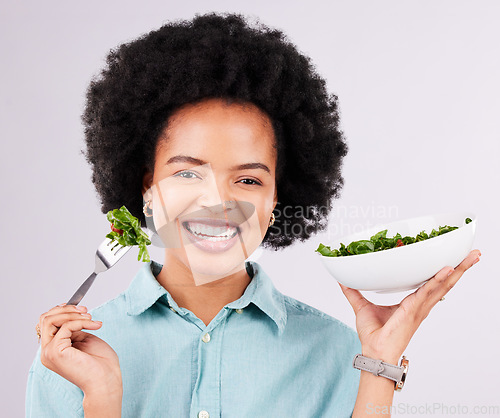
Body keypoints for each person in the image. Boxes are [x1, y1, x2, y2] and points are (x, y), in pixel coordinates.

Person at [25, 12, 481, 418]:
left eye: (248, 180)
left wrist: (381, 364)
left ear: (277, 200)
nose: (219, 202)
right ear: (148, 188)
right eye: (188, 174)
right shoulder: (67, 360)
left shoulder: (342, 353)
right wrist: (102, 401)